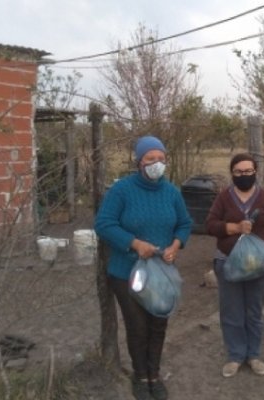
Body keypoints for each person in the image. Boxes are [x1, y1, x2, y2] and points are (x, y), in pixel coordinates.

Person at [94, 135, 192, 400]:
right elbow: (103, 224)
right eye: (151, 159)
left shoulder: (171, 192)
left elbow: (185, 223)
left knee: (158, 324)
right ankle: (140, 376)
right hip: (127, 273)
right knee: (138, 327)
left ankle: (154, 375)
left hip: (161, 274)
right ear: (139, 162)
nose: (157, 164)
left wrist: (175, 244)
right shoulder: (122, 190)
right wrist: (134, 243)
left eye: (161, 159)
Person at [205, 153, 264, 379]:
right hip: (228, 263)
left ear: (255, 172)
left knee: (254, 311)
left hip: (258, 266)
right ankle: (235, 356)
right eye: (238, 172)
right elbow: (210, 225)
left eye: (248, 171)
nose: (244, 175)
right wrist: (234, 228)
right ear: (232, 173)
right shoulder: (224, 198)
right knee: (232, 311)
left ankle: (254, 355)